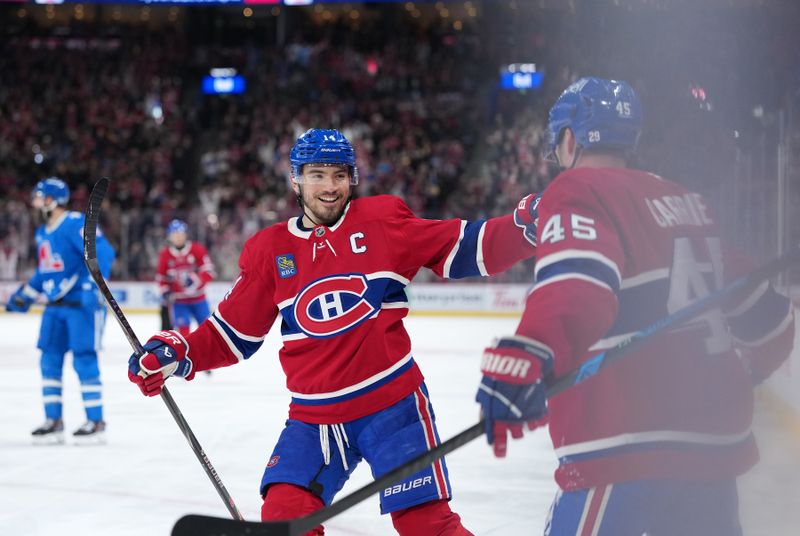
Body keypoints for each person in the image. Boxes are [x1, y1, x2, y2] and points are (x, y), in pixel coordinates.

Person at [128, 128, 537, 535]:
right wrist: (178, 352)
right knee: (286, 517)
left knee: (426, 525)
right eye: (318, 174)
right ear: (295, 179)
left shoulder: (383, 221)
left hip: (393, 406)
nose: (329, 187)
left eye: (339, 175)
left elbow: (462, 247)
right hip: (314, 419)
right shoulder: (271, 251)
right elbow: (230, 335)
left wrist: (523, 228)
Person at [475, 77, 797, 535]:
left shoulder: (578, 190)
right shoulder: (687, 200)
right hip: (711, 457)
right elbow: (769, 320)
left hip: (623, 444)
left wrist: (529, 354)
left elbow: (578, 286)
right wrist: (745, 375)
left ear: (570, 140)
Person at [6, 177, 116, 445]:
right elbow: (46, 273)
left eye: (39, 196)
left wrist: (93, 288)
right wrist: (25, 296)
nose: (35, 202)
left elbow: (103, 251)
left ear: (52, 199)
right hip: (55, 306)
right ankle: (53, 420)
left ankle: (96, 420)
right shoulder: (43, 231)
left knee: (84, 359)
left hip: (80, 305)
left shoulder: (74, 223)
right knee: (49, 360)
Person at [156, 219, 215, 338]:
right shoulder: (165, 255)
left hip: (199, 299)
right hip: (179, 301)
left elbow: (209, 272)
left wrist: (196, 280)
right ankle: (186, 356)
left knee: (208, 330)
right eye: (175, 234)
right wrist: (165, 290)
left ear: (185, 234)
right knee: (183, 333)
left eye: (180, 234)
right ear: (170, 236)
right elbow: (161, 278)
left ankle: (209, 354)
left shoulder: (197, 249)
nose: (178, 237)